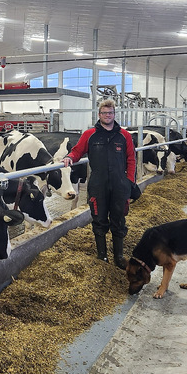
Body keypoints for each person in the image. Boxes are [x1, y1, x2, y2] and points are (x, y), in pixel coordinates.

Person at [62, 99, 136, 269]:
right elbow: (77, 151)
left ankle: (119, 256)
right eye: (104, 113)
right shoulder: (89, 135)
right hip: (98, 184)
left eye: (110, 113)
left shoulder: (124, 136)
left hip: (119, 185)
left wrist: (129, 182)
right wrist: (69, 158)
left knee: (119, 219)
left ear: (114, 114)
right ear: (99, 114)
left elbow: (131, 159)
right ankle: (101, 256)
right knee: (99, 219)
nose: (107, 116)